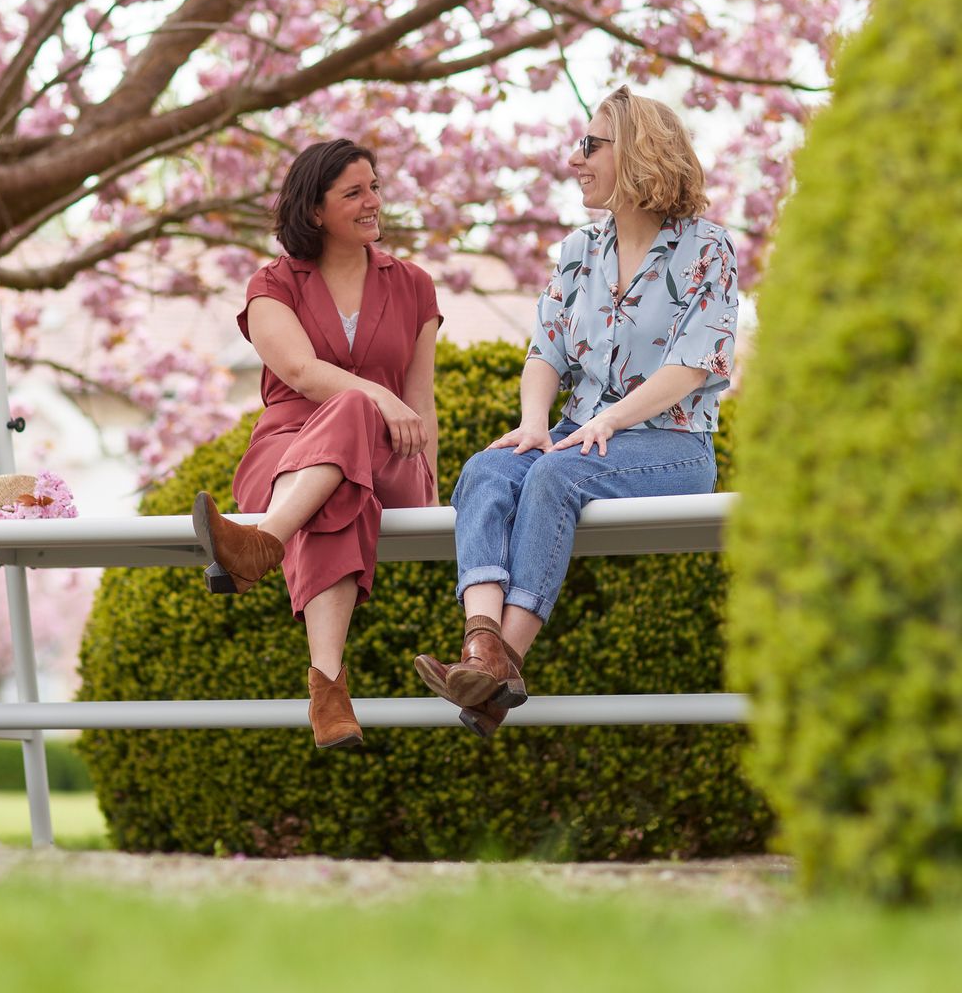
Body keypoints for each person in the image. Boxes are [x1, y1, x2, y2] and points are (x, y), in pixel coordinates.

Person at [415, 85, 738, 737]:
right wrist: (535, 423)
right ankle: (483, 648)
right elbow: (545, 352)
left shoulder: (709, 248)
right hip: (573, 434)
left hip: (669, 442)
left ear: (640, 151)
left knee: (556, 476)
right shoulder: (578, 250)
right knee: (488, 469)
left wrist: (612, 420)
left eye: (590, 145)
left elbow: (694, 365)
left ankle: (504, 664)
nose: (574, 159)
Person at [192, 139, 441, 749]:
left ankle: (262, 545)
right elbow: (300, 374)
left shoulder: (413, 284)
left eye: (375, 187)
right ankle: (329, 692)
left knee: (353, 417)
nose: (373, 202)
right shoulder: (273, 283)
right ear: (313, 211)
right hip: (286, 449)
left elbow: (421, 397)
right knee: (337, 482)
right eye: (354, 193)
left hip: (391, 460)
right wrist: (374, 396)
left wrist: (431, 484)